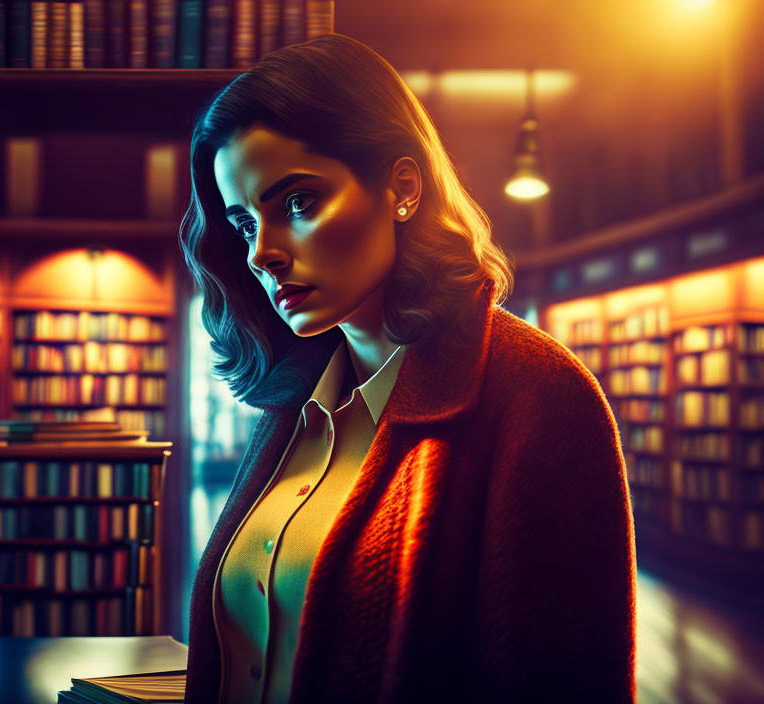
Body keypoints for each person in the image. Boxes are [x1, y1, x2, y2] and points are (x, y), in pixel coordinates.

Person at [178, 32, 637, 704]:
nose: (261, 254)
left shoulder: (541, 397)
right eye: (245, 224)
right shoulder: (292, 407)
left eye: (298, 203)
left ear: (401, 187)